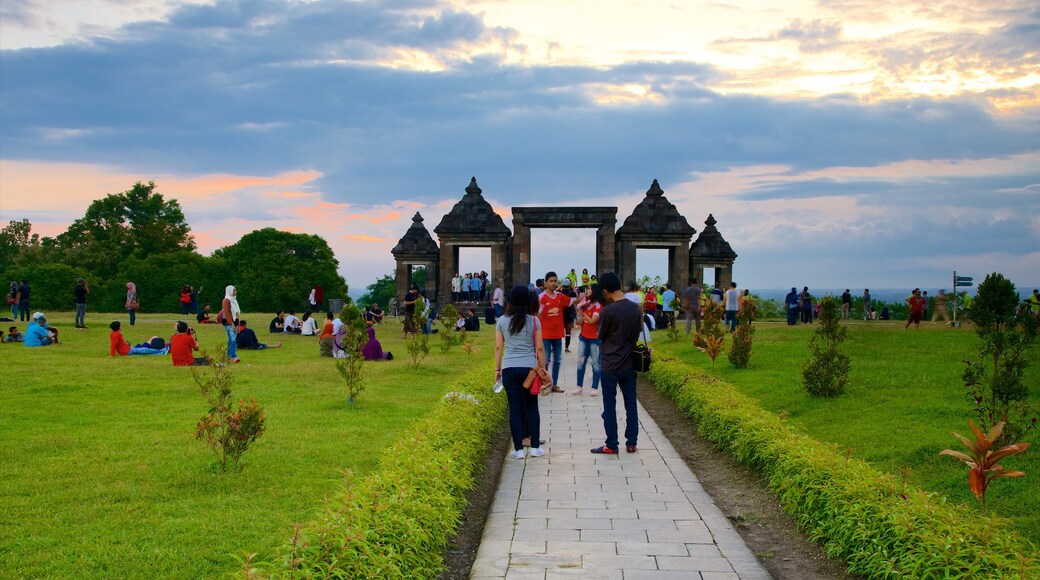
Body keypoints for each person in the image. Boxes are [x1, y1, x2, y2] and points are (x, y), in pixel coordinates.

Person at [494, 285, 547, 459]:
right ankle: (534, 448)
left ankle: (517, 449)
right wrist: (543, 368)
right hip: (529, 369)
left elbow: (498, 347)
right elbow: (539, 347)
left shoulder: (501, 320)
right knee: (532, 408)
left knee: (515, 409)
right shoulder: (534, 321)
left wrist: (497, 369)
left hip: (509, 368)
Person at [591, 272, 642, 455]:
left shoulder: (607, 311)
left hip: (609, 365)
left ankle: (611, 444)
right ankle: (632, 443)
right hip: (629, 363)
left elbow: (601, 336)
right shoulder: (636, 309)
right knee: (631, 404)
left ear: (605, 291)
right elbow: (636, 334)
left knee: (609, 406)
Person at [538, 271, 572, 392]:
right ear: (545, 283)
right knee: (546, 360)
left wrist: (583, 297)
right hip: (545, 334)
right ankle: (546, 383)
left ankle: (554, 384)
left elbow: (572, 301)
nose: (553, 283)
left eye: (555, 281)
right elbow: (537, 315)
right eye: (551, 281)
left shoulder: (559, 296)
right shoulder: (541, 297)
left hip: (558, 334)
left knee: (557, 361)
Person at [574, 283, 604, 396]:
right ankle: (579, 386)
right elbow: (580, 321)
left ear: (594, 291)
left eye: (589, 289)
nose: (587, 291)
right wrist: (580, 314)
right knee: (580, 362)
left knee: (596, 363)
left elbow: (592, 321)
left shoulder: (598, 306)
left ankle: (594, 387)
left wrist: (584, 313)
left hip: (595, 339)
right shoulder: (586, 304)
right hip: (584, 337)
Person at [220, 285, 241, 363]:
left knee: (232, 339)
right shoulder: (226, 300)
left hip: (235, 322)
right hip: (229, 322)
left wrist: (238, 324)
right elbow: (227, 313)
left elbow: (237, 313)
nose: (235, 292)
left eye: (235, 290)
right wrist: (231, 323)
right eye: (234, 290)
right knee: (232, 339)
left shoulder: (234, 300)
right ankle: (233, 356)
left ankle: (229, 356)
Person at [560, 277, 578, 352]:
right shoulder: (571, 294)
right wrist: (573, 286)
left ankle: (555, 346)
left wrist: (560, 285)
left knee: (558, 331)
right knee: (568, 331)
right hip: (569, 314)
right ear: (569, 285)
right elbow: (576, 294)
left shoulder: (559, 293)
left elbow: (554, 291)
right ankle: (566, 347)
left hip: (560, 315)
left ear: (563, 285)